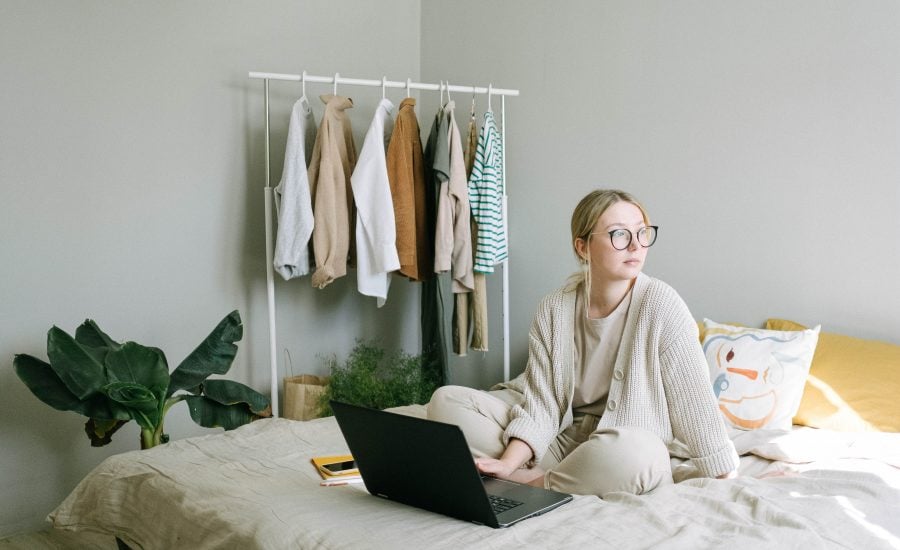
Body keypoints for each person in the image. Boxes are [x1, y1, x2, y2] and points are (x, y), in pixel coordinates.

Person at [427, 189, 739, 497]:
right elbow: (542, 403)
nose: (635, 245)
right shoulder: (554, 308)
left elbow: (694, 403)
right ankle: (550, 475)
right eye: (619, 234)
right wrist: (507, 463)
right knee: (446, 402)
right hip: (562, 439)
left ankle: (538, 483)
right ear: (583, 247)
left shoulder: (661, 304)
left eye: (642, 233)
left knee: (640, 454)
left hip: (622, 445)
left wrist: (725, 472)